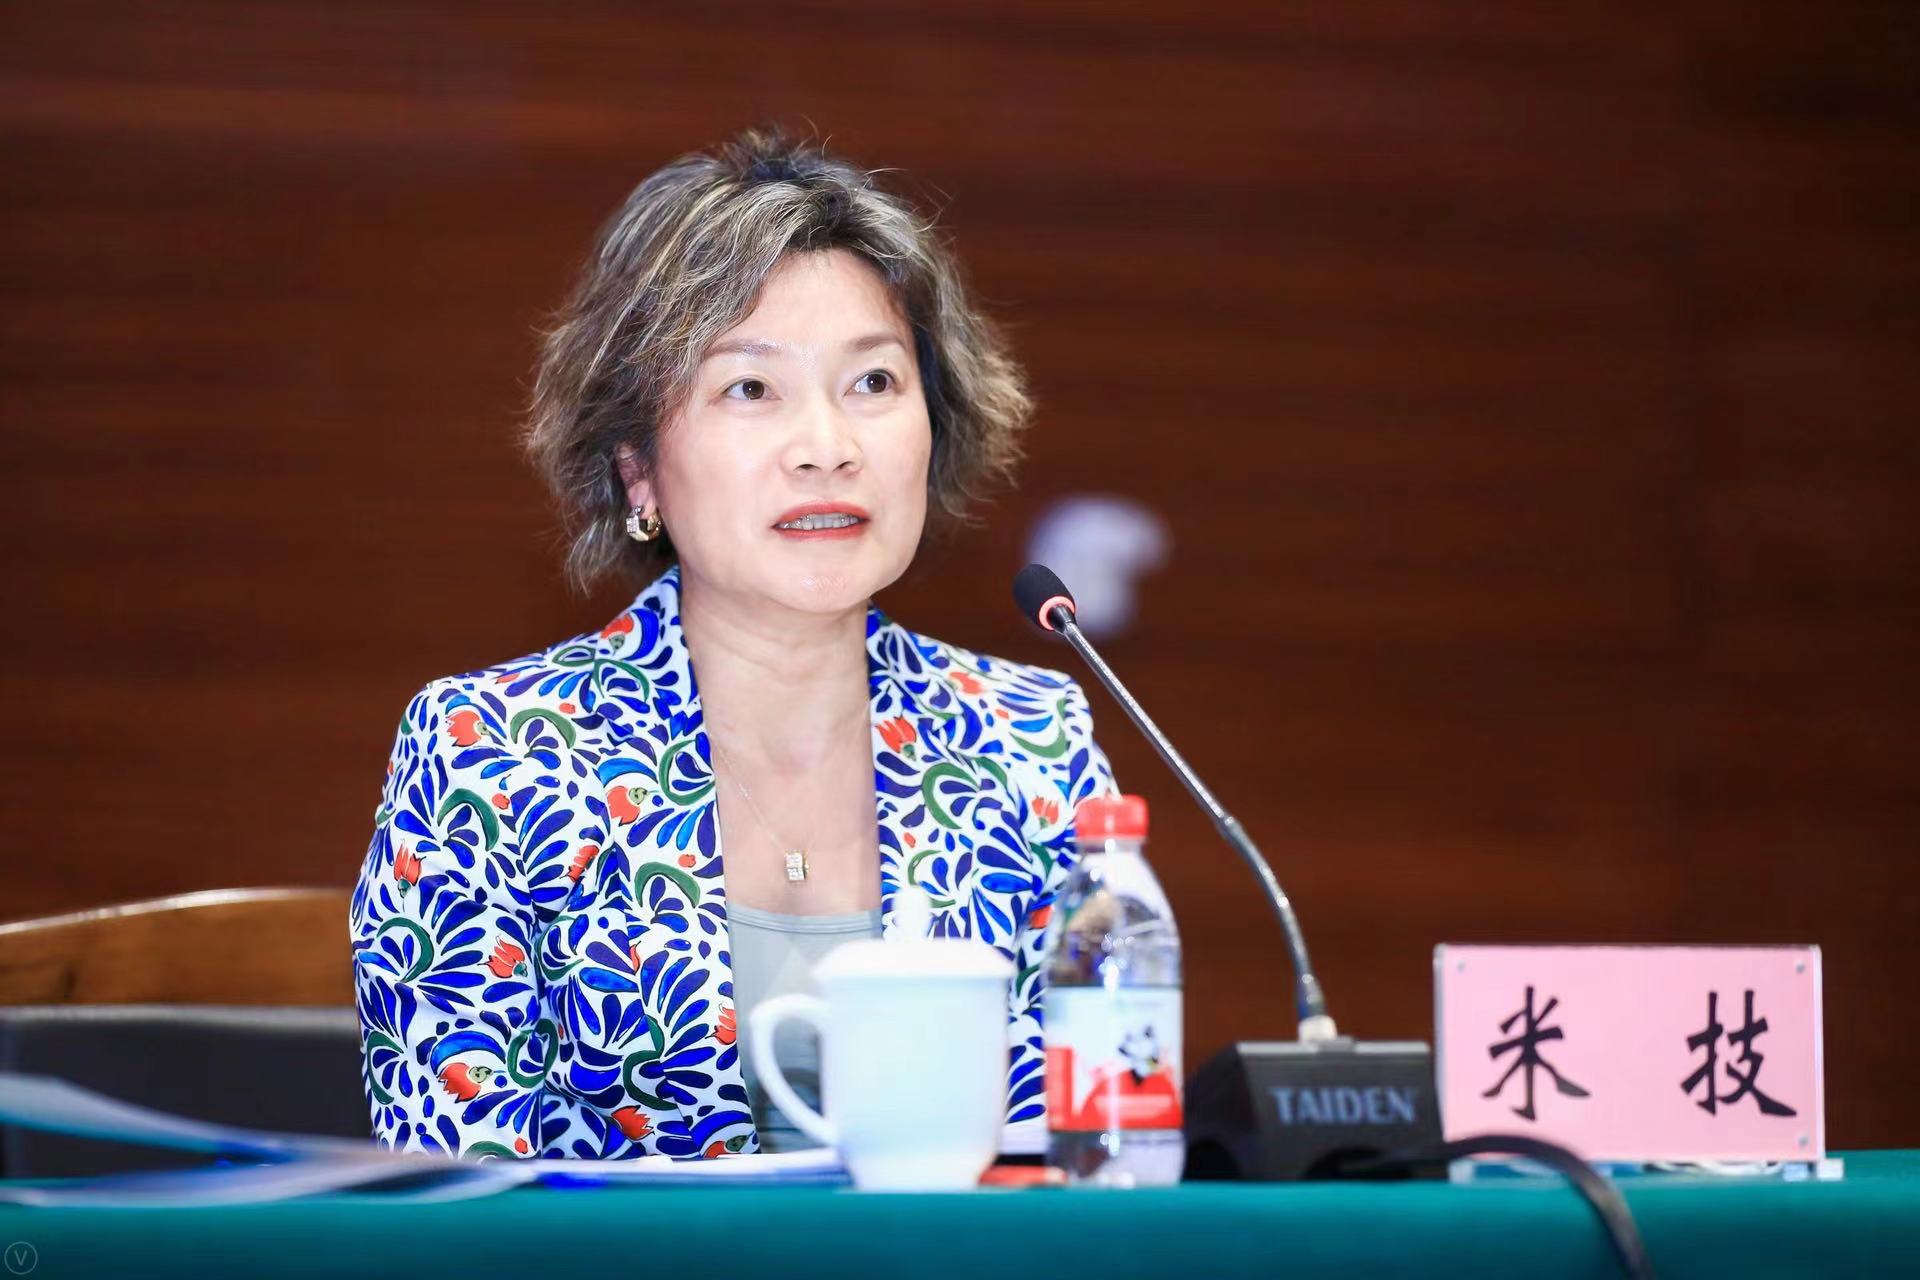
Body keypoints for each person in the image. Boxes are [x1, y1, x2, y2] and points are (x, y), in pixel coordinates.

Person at [349, 125, 1118, 1159]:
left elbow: (1096, 1151)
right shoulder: (492, 755)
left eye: (873, 383)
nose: (827, 448)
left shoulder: (1031, 744)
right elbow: (451, 1188)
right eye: (750, 389)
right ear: (637, 470)